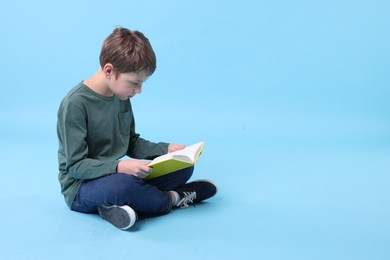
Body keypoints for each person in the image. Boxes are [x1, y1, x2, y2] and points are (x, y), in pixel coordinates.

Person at [56, 27, 217, 230]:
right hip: (82, 188)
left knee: (183, 167)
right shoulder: (75, 104)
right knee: (124, 185)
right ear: (109, 70)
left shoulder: (121, 95)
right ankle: (173, 199)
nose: (138, 90)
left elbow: (131, 142)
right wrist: (119, 167)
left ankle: (112, 207)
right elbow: (75, 167)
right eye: (134, 83)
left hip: (115, 177)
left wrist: (167, 150)